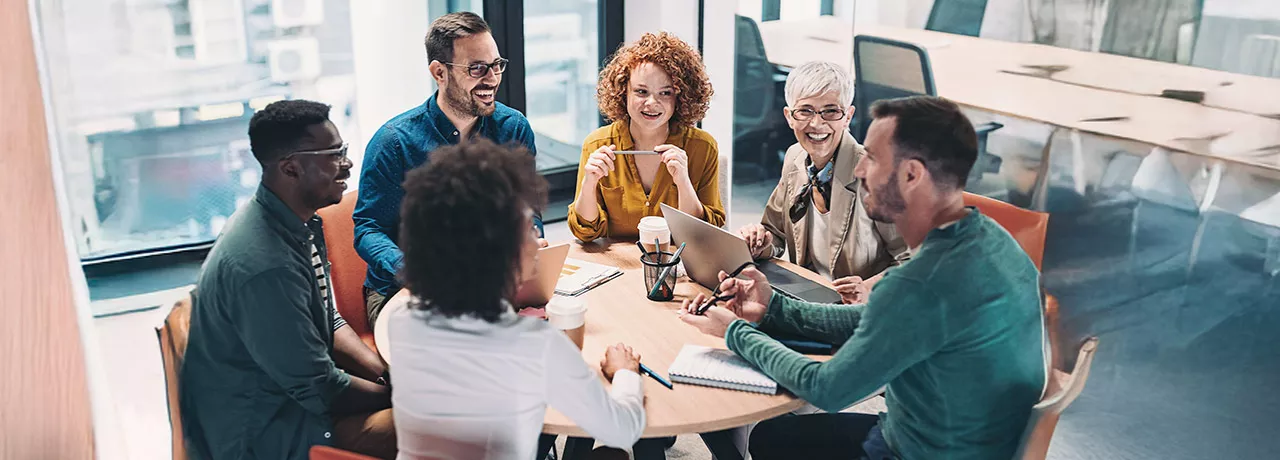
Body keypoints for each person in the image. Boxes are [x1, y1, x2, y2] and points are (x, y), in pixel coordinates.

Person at [680, 96, 1046, 460]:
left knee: (771, 438)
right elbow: (873, 319)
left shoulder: (919, 283)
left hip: (912, 452)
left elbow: (825, 388)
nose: (857, 170)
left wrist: (735, 332)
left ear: (911, 174)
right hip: (966, 440)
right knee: (777, 437)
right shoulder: (993, 240)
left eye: (871, 157)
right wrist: (773, 308)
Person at [384, 139, 645, 459]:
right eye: (527, 229)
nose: (539, 240)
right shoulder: (535, 345)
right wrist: (625, 373)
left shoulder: (401, 321)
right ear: (495, 249)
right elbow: (623, 427)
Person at [181, 100, 395, 460]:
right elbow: (322, 388)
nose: (348, 163)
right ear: (291, 168)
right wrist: (402, 395)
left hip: (291, 399)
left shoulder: (295, 221)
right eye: (334, 154)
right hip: (268, 432)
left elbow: (327, 318)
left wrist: (383, 373)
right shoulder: (266, 265)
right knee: (446, 423)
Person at [355, 12, 543, 328]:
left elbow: (528, 209)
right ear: (439, 72)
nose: (493, 78)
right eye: (477, 68)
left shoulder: (513, 128)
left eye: (496, 65)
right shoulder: (394, 142)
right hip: (404, 291)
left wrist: (531, 237)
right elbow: (367, 228)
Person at [738, 61, 907, 305]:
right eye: (805, 111)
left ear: (847, 116)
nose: (817, 124)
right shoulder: (795, 157)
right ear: (789, 117)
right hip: (806, 299)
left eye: (831, 111)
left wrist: (870, 288)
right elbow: (774, 234)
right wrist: (757, 241)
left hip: (859, 312)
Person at [568, 32, 724, 242]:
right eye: (641, 92)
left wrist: (683, 181)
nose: (652, 103)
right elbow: (585, 232)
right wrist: (589, 184)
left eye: (665, 93)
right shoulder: (597, 145)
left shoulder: (703, 147)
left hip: (677, 268)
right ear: (623, 92)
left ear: (681, 97)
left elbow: (704, 235)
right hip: (618, 267)